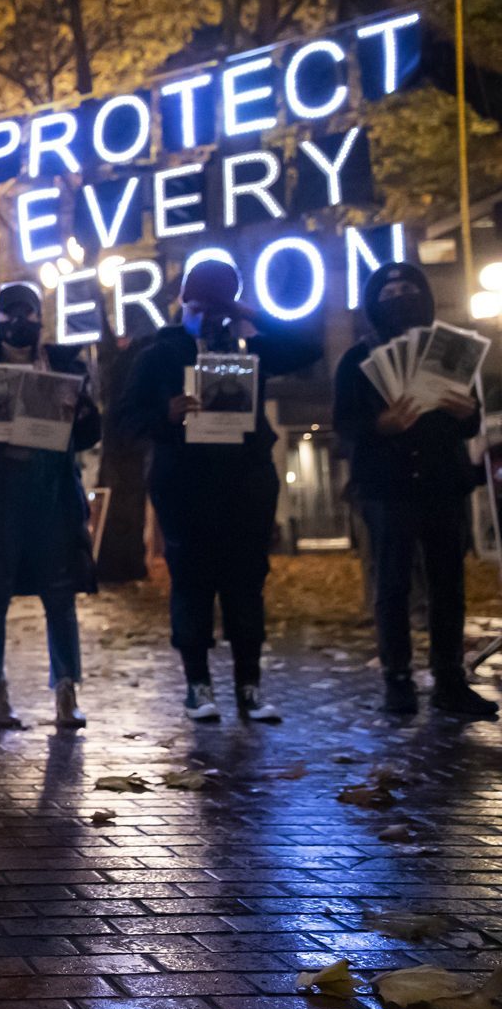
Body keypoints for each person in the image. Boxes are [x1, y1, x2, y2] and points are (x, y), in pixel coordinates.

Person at [117, 260, 321, 724]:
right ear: (182, 302)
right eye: (199, 304)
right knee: (191, 583)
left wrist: (249, 314)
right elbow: (126, 421)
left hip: (246, 482)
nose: (208, 315)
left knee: (246, 583)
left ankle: (249, 687)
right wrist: (166, 416)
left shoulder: (250, 347)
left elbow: (307, 349)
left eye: (217, 306)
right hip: (185, 484)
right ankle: (198, 686)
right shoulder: (158, 353)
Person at [333, 262, 495, 718]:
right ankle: (398, 681)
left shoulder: (448, 353)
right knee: (393, 584)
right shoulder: (356, 359)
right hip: (388, 488)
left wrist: (467, 413)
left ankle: (449, 681)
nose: (400, 297)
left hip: (443, 483)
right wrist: (381, 424)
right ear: (374, 302)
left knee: (448, 585)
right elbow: (344, 426)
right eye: (390, 292)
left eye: (408, 288)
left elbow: (472, 423)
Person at [0, 284, 100, 729]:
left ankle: (66, 691)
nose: (18, 322)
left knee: (60, 594)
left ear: (39, 318)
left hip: (51, 494)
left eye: (27, 313)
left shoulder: (65, 364)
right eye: (9, 315)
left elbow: (89, 433)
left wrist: (82, 413)